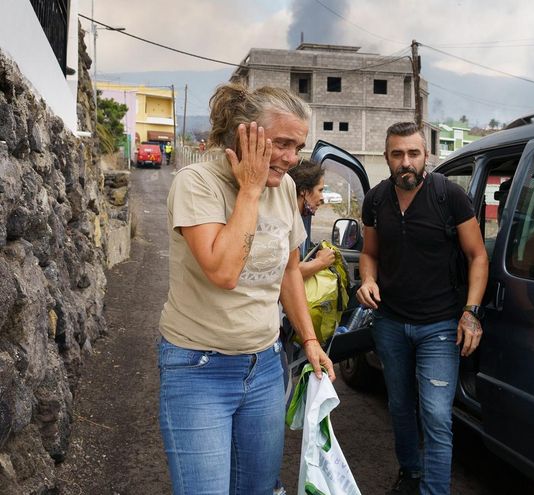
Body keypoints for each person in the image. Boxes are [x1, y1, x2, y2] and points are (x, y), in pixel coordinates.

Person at [158, 81, 334, 495]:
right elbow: (223, 271)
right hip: (198, 368)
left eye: (298, 147)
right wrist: (251, 190)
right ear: (245, 134)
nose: (291, 159)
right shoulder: (197, 183)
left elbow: (289, 271)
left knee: (257, 488)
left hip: (265, 367)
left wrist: (309, 339)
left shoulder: (285, 187)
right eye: (282, 143)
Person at [356, 122, 489, 495]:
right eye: (397, 154)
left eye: (413, 153)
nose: (406, 162)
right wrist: (367, 280)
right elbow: (369, 253)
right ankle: (410, 475)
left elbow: (478, 256)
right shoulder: (375, 200)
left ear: (425, 156)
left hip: (441, 326)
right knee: (400, 406)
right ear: (386, 157)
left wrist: (471, 312)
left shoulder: (449, 196)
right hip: (390, 323)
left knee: (435, 415)